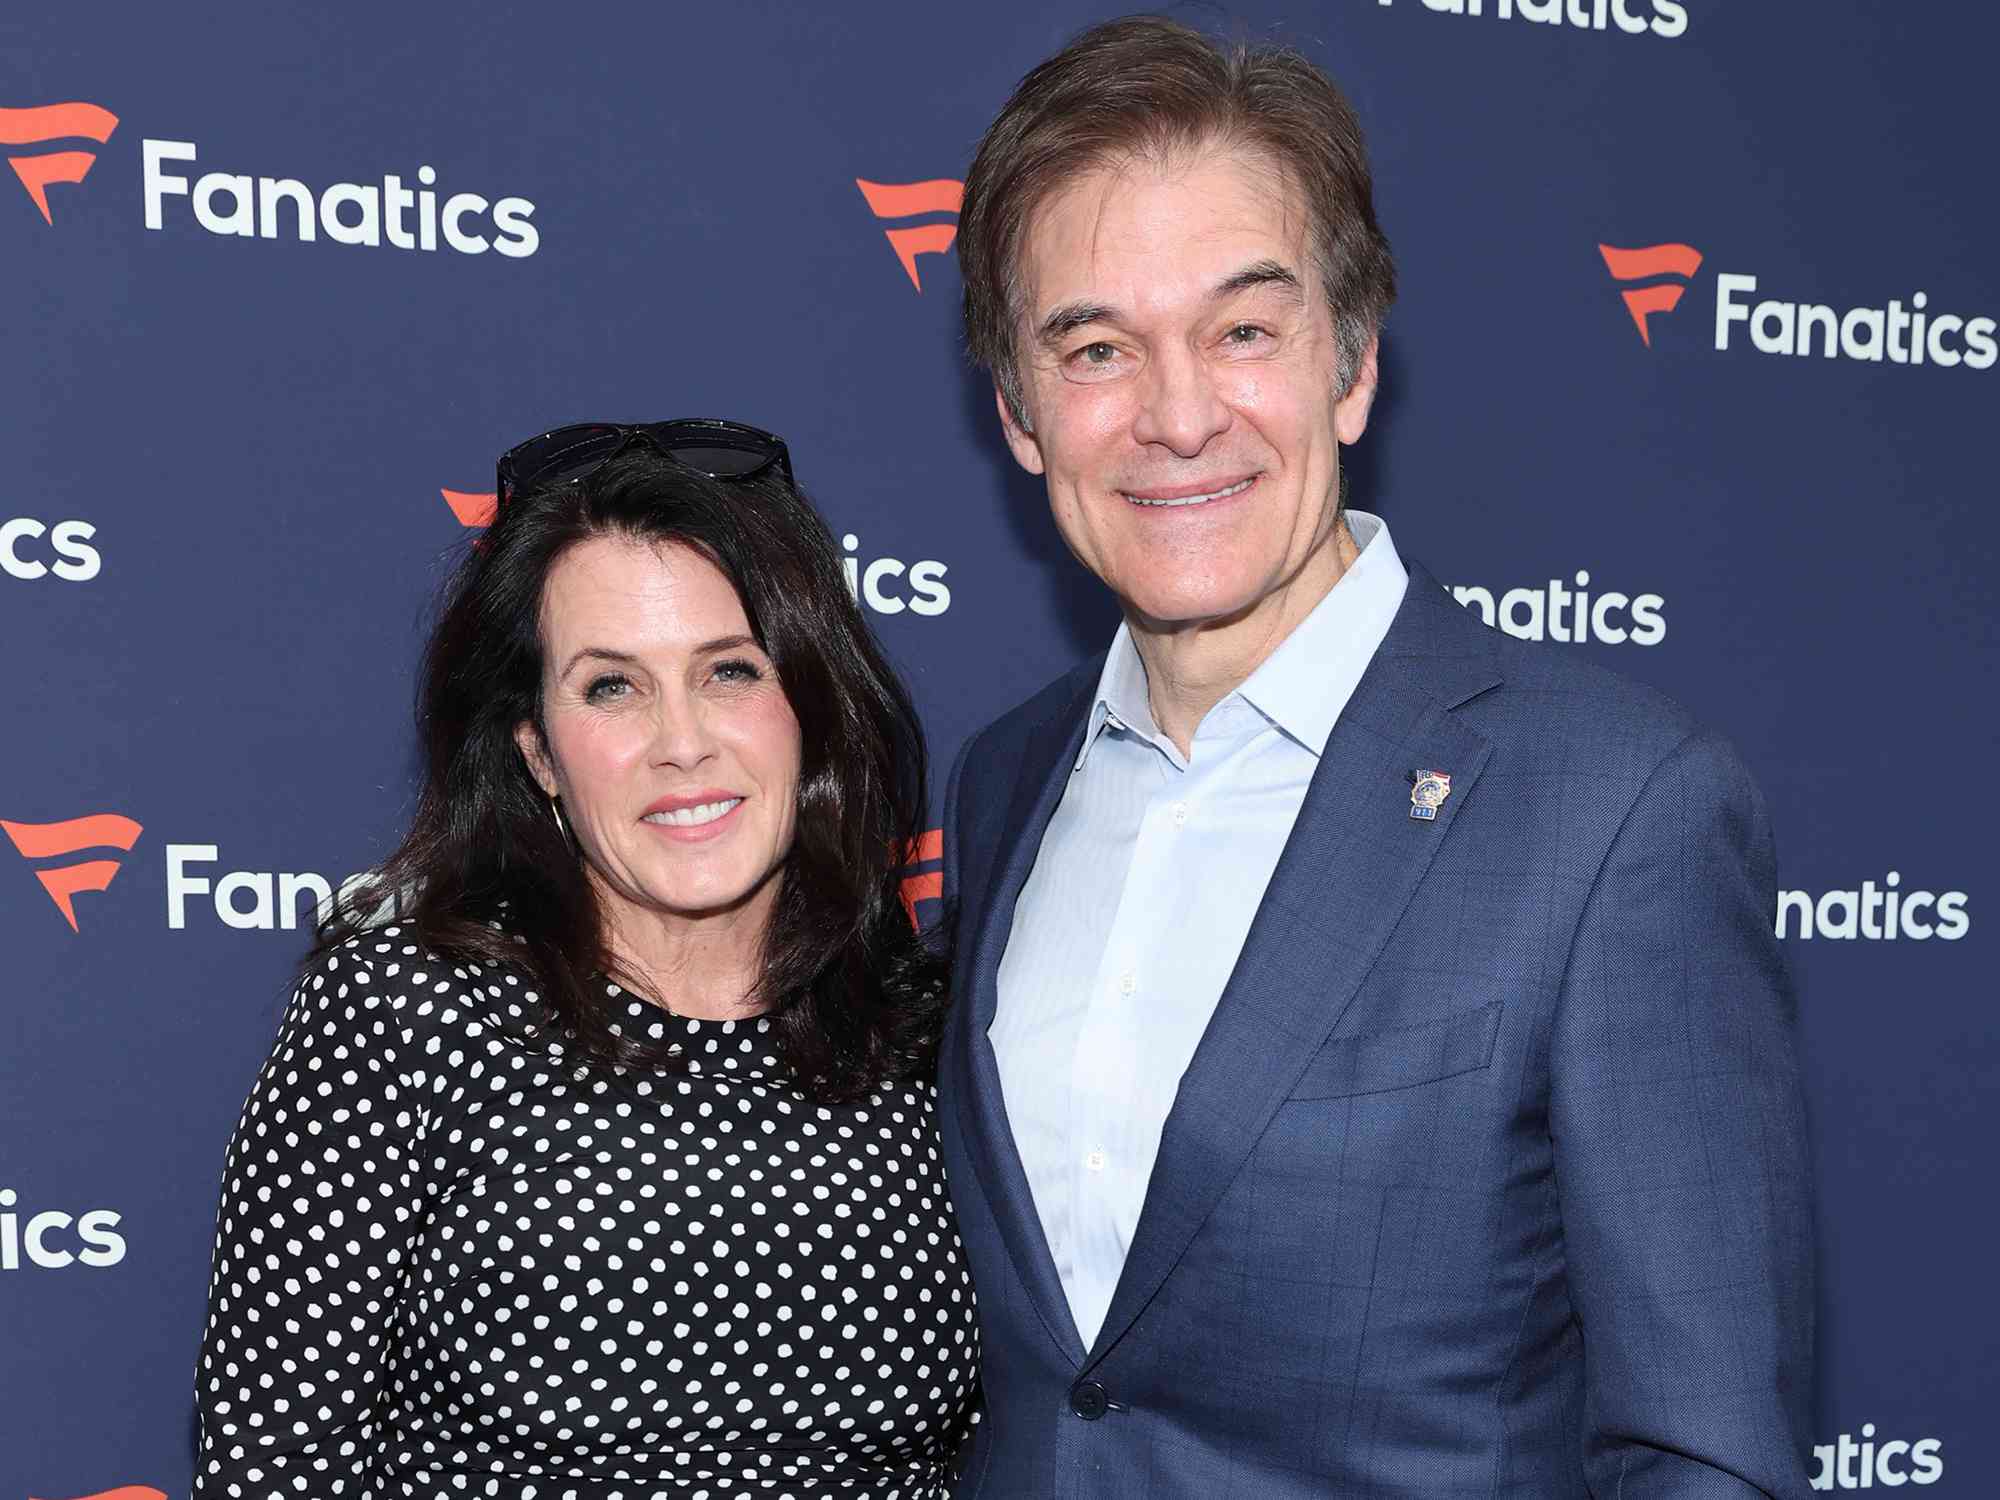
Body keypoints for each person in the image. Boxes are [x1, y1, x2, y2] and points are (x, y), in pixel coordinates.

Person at [937, 17, 1812, 1498]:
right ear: (1020, 417)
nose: (1177, 416)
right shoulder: (1001, 781)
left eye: (1243, 331)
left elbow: (1701, 1453)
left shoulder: (1616, 811)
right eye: (1094, 350)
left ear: (1351, 367)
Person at [192, 420, 980, 1498]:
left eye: (729, 672)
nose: (682, 742)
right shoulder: (405, 1014)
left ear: (807, 708)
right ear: (539, 753)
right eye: (612, 687)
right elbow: (274, 1463)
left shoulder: (928, 1031)